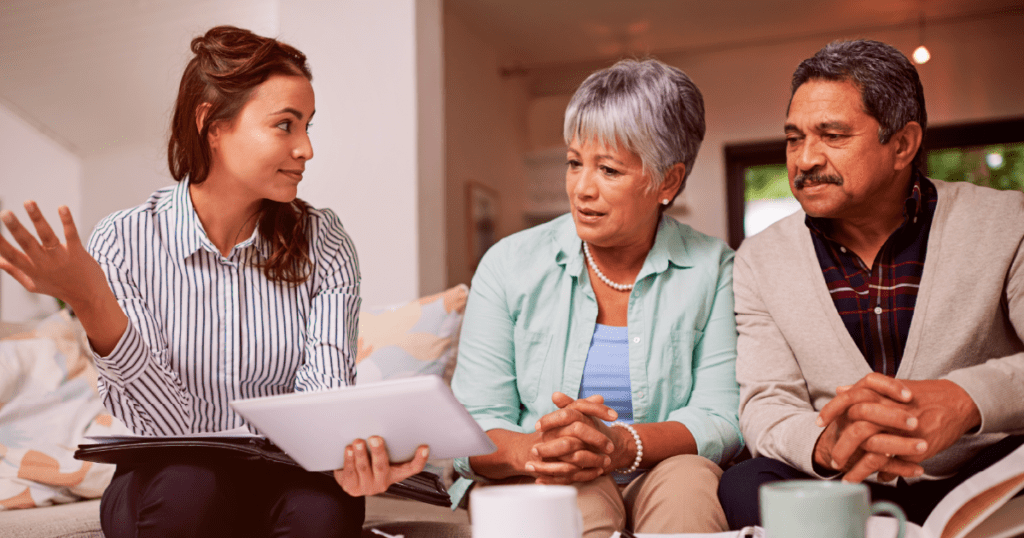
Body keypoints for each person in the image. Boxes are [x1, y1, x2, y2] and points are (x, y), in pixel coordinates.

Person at [0, 25, 427, 537]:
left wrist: (351, 459)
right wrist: (90, 300)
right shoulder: (125, 239)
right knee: (192, 487)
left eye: (308, 126)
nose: (307, 149)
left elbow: (323, 404)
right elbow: (162, 425)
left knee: (324, 511)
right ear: (212, 124)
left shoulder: (324, 240)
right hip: (168, 476)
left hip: (285, 475)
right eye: (285, 125)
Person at [717, 39, 1024, 528]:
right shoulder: (759, 258)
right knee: (743, 481)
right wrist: (826, 444)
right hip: (843, 486)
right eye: (794, 139)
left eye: (832, 136)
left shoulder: (1007, 221)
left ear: (902, 145)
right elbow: (767, 401)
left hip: (978, 474)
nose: (804, 159)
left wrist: (965, 400)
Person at [450, 59, 742, 538]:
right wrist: (540, 449)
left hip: (660, 470)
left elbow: (721, 417)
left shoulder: (715, 270)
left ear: (667, 182)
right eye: (574, 163)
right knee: (573, 500)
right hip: (541, 469)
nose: (582, 189)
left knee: (690, 487)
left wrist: (619, 445)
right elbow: (472, 424)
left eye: (608, 169)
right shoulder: (509, 264)